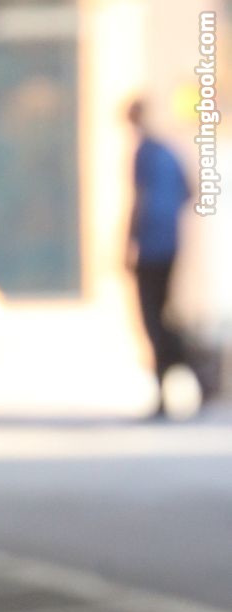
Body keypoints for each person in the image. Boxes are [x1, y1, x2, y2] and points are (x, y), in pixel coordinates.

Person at [125, 99, 194, 417]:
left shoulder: (146, 153)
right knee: (164, 316)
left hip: (152, 246)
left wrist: (128, 243)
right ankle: (184, 375)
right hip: (170, 243)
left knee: (153, 319)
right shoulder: (168, 153)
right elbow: (188, 191)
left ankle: (168, 386)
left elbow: (139, 199)